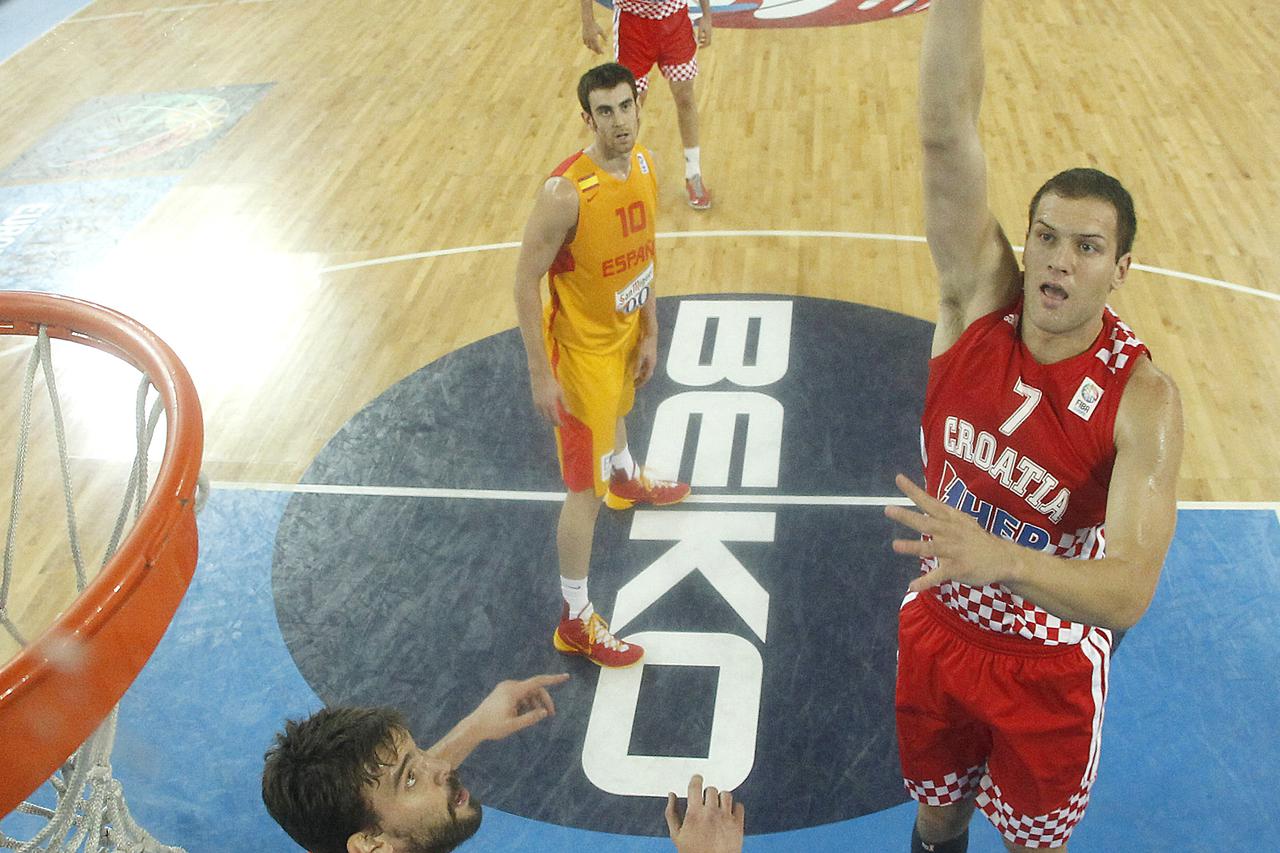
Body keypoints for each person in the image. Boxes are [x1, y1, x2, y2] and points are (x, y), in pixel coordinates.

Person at [883, 1, 1184, 851]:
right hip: (941, 628)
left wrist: (1001, 559)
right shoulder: (976, 303)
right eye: (1046, 236)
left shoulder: (1143, 398)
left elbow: (1127, 591)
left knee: (1030, 844)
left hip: (1047, 663)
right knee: (936, 817)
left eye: (1087, 247)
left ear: (1121, 269)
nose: (1058, 258)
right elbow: (945, 133)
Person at [513, 62, 690, 669]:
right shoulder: (565, 192)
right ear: (587, 119)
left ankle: (626, 477)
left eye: (626, 106)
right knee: (580, 492)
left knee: (621, 416)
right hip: (580, 358)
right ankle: (574, 617)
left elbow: (643, 257)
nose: (619, 121)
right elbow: (523, 280)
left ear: (640, 105)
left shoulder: (643, 165)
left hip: (620, 338)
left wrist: (651, 329)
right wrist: (541, 373)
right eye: (605, 112)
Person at [262, 674, 745, 853]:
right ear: (370, 845)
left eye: (420, 753)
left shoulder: (373, 834)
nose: (441, 767)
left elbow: (405, 789)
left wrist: (475, 725)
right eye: (411, 777)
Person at [579, 0, 714, 209]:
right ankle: (621, 176)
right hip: (634, 24)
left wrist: (707, 15)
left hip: (674, 19)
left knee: (685, 96)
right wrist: (587, 20)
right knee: (628, 106)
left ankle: (693, 173)